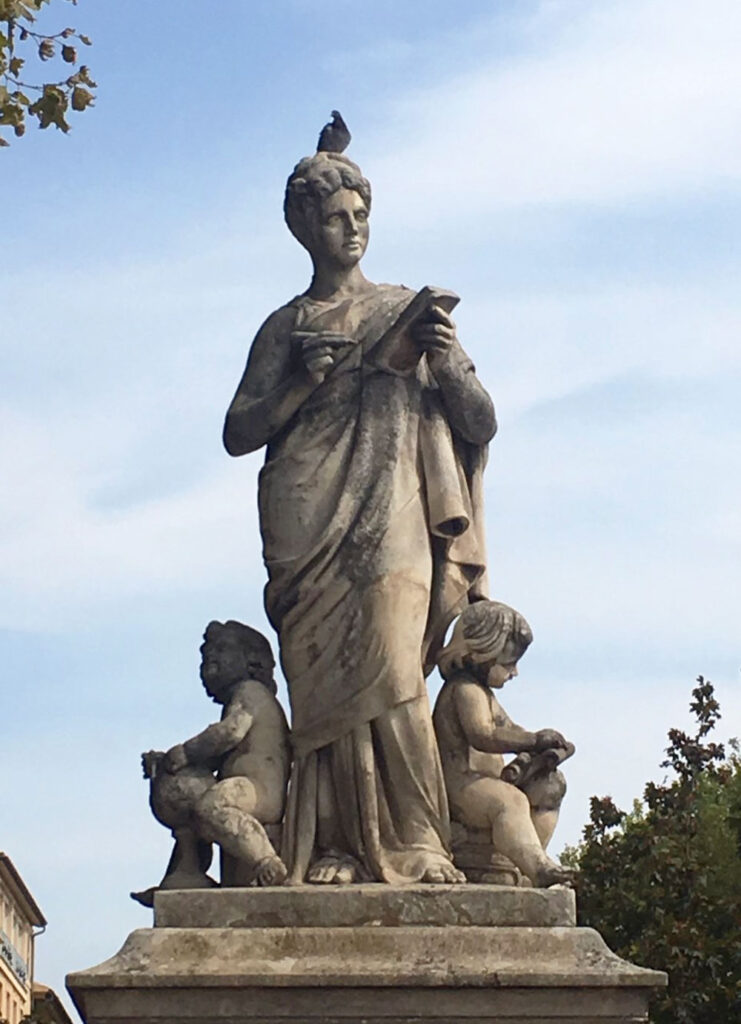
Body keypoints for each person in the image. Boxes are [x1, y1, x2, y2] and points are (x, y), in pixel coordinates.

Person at [223, 121, 497, 884]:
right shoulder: (286, 325)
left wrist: (445, 363)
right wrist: (302, 382)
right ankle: (335, 843)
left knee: (392, 660)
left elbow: (480, 423)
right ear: (304, 226)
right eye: (336, 217)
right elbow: (238, 431)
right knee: (323, 680)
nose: (352, 231)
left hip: (394, 506)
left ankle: (414, 842)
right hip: (305, 512)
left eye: (360, 216)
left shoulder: (407, 311)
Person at [131, 621, 290, 905]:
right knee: (197, 805)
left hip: (259, 791)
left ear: (252, 661)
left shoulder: (251, 691)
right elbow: (220, 750)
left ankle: (265, 860)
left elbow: (230, 732)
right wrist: (166, 761)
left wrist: (187, 752)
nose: (210, 658)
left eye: (221, 649)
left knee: (210, 807)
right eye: (206, 653)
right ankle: (182, 875)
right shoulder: (239, 696)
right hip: (242, 787)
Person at [433, 600, 575, 887]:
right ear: (479, 654)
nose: (514, 673)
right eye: (508, 664)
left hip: (486, 781)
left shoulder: (484, 694)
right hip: (460, 784)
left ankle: (529, 863)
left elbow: (510, 729)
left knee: (551, 786)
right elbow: (483, 735)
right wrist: (534, 740)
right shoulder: (464, 690)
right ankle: (536, 867)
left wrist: (542, 752)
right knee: (509, 800)